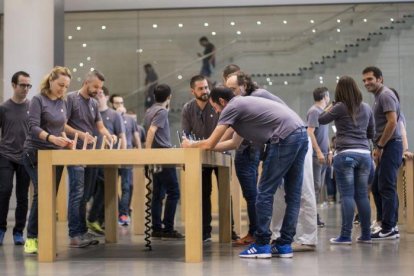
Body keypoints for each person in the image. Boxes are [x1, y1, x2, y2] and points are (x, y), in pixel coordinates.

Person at [182, 87, 308, 259]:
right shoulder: (242, 106)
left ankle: (262, 244)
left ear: (221, 102)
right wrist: (203, 146)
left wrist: (191, 144)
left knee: (264, 191)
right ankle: (285, 245)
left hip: (285, 136)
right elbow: (233, 143)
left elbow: (211, 142)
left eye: (216, 108)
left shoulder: (232, 106)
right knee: (293, 195)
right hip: (300, 132)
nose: (217, 112)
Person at [22, 67, 73, 254]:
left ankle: (45, 239)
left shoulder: (63, 102)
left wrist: (66, 140)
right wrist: (51, 138)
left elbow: (60, 127)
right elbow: (33, 126)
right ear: (50, 81)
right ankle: (32, 238)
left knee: (49, 196)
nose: (62, 89)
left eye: (66, 86)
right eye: (60, 85)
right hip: (34, 153)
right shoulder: (38, 100)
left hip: (55, 155)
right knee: (42, 194)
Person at [319, 76, 374, 244]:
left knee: (347, 196)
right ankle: (366, 235)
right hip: (365, 154)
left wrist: (331, 104)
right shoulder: (366, 107)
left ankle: (345, 235)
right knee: (362, 196)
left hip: (345, 155)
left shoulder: (339, 107)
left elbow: (321, 119)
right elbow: (372, 134)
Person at [64, 70, 116, 240]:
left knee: (85, 195)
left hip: (91, 155)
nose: (97, 90)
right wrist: (80, 134)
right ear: (86, 82)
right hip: (74, 153)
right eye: (95, 86)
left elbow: (100, 126)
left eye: (100, 88)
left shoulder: (94, 103)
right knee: (77, 193)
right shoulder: (70, 99)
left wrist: (109, 135)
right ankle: (74, 233)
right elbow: (62, 125)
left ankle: (82, 231)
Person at [362, 66, 402, 240]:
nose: (366, 83)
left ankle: (389, 228)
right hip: (386, 145)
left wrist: (380, 146)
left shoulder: (385, 95)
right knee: (379, 187)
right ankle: (389, 224)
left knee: (386, 186)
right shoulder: (378, 97)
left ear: (380, 79)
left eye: (370, 79)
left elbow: (392, 122)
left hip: (391, 145)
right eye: (364, 80)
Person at [144, 84, 184, 239]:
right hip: (163, 155)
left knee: (158, 193)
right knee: (173, 192)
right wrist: (147, 154)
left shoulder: (149, 111)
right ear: (169, 96)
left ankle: (156, 227)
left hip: (156, 155)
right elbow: (152, 130)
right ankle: (168, 228)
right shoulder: (161, 111)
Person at [86, 86, 126, 228]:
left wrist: (123, 158)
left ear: (107, 97)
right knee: (89, 191)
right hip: (90, 159)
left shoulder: (114, 115)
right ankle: (92, 220)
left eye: (101, 93)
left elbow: (122, 137)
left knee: (106, 188)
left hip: (108, 160)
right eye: (96, 93)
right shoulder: (90, 115)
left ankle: (97, 220)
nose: (98, 95)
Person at [0, 71, 32, 246]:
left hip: (25, 157)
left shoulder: (32, 107)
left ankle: (19, 231)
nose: (26, 88)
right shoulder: (3, 108)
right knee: (4, 191)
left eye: (28, 85)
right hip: (5, 155)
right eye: (22, 85)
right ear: (13, 85)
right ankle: (1, 228)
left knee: (22, 196)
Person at [109, 93, 142, 225]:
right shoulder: (110, 117)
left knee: (126, 186)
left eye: (121, 103)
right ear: (112, 104)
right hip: (112, 156)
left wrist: (140, 153)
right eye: (117, 103)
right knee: (111, 186)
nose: (120, 105)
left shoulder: (130, 119)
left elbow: (136, 136)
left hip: (127, 156)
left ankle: (123, 213)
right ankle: (116, 211)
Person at [307, 87, 331, 227]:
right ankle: (312, 217)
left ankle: (313, 215)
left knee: (319, 187)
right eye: (328, 96)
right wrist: (319, 152)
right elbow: (310, 132)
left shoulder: (323, 113)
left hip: (323, 154)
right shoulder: (314, 111)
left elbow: (324, 134)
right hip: (316, 156)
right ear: (325, 96)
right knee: (314, 187)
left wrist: (329, 151)